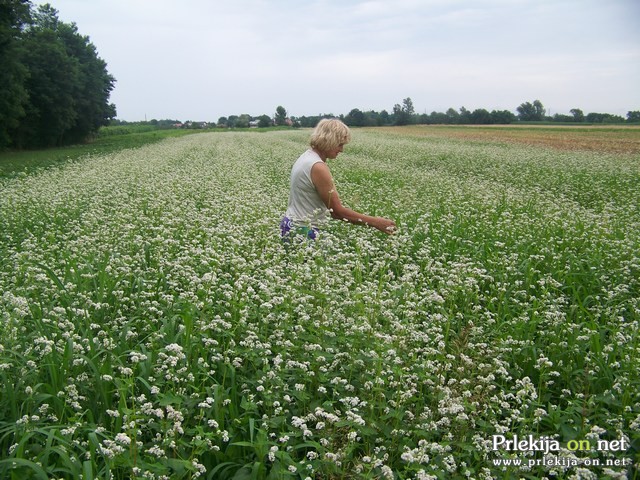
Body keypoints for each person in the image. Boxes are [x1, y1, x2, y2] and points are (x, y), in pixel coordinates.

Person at [280, 118, 396, 240]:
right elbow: (337, 212)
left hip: (290, 225)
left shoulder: (306, 157)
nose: (341, 150)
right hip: (304, 231)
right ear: (328, 140)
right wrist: (377, 222)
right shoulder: (318, 166)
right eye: (340, 144)